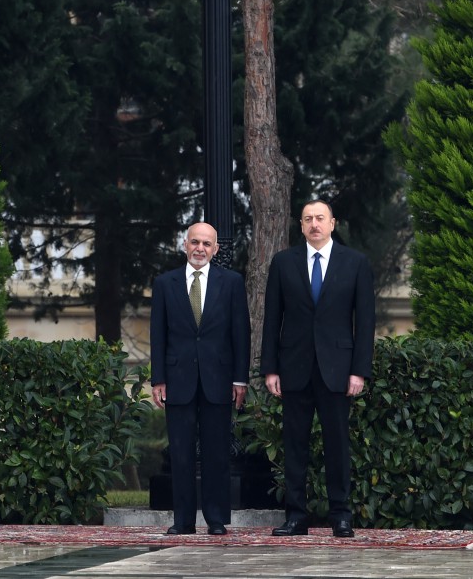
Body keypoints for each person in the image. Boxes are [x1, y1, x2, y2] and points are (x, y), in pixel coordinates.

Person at [260, 199, 375, 538]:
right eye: (308, 219)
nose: (314, 224)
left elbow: (365, 321)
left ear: (332, 223)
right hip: (293, 368)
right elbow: (272, 319)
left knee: (337, 445)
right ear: (301, 225)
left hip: (337, 370)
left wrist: (359, 371)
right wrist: (270, 369)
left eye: (320, 218)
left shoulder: (355, 262)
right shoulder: (283, 263)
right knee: (294, 445)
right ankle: (296, 517)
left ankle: (341, 516)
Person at [150, 222, 251, 535]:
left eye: (207, 244)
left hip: (218, 379)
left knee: (216, 452)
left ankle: (216, 519)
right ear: (185, 244)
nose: (200, 249)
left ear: (215, 249)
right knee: (180, 453)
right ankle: (183, 521)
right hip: (177, 379)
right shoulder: (165, 283)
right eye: (195, 242)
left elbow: (241, 333)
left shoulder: (231, 282)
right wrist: (158, 379)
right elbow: (158, 334)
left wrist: (240, 379)